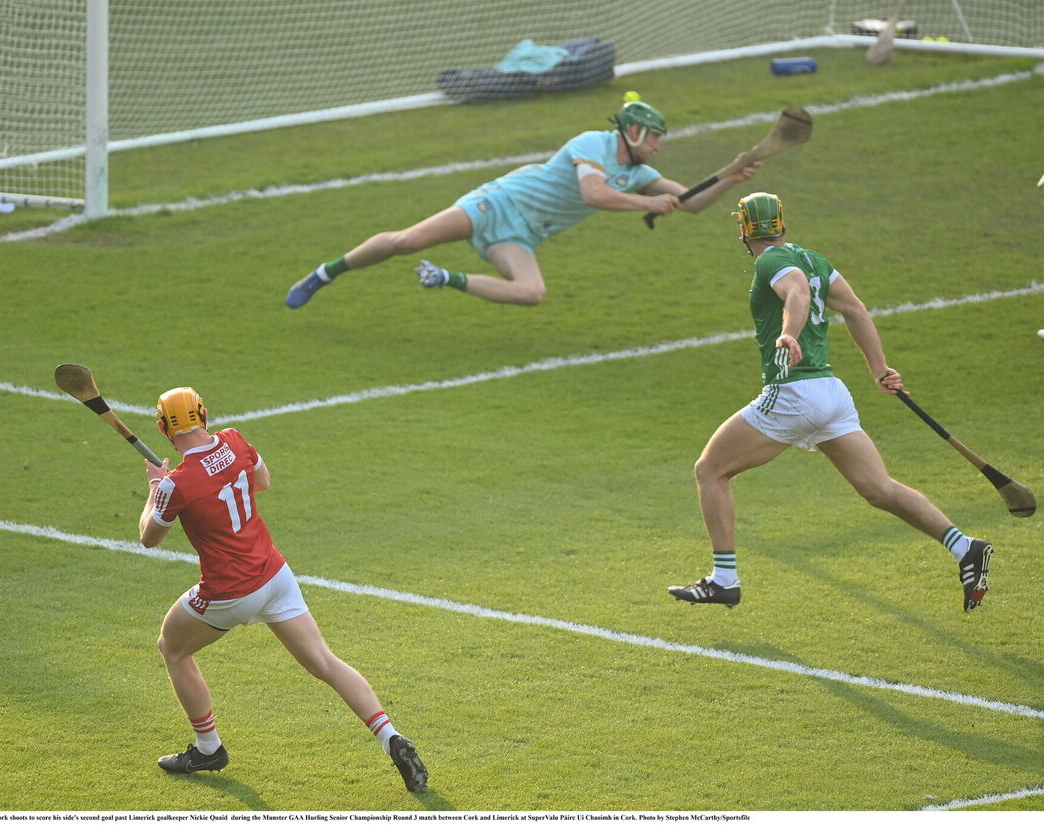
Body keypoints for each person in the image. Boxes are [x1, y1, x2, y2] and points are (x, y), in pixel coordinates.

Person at [667, 192, 993, 613]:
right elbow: (855, 310)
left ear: (743, 228)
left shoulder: (769, 260)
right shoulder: (815, 259)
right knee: (879, 489)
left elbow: (797, 294)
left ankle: (724, 580)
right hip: (831, 395)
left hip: (793, 393)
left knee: (710, 470)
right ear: (781, 223)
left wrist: (789, 333)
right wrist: (879, 369)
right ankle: (965, 547)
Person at [139, 387, 428, 791]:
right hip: (275, 574)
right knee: (324, 662)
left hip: (229, 591)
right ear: (204, 415)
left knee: (172, 647)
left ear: (161, 427)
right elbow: (264, 481)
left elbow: (149, 538)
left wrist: (155, 491)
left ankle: (208, 748)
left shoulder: (175, 485)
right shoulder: (236, 440)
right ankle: (390, 737)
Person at [285, 92, 762, 309]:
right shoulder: (592, 144)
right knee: (406, 240)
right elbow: (592, 194)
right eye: (655, 138)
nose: (658, 147)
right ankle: (324, 273)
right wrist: (645, 206)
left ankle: (443, 278)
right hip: (497, 204)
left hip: (521, 235)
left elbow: (691, 201)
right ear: (634, 131)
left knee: (532, 293)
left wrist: (731, 178)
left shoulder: (639, 171)